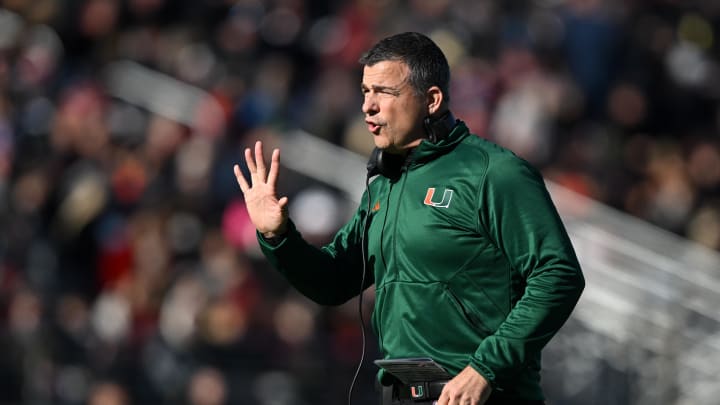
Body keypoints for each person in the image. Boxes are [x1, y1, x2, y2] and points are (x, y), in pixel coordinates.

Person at [233, 32, 585, 405]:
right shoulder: (384, 184)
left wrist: (486, 368)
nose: (368, 106)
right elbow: (333, 282)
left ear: (431, 100)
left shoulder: (494, 172)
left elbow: (558, 274)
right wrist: (279, 236)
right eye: (365, 92)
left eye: (383, 92)